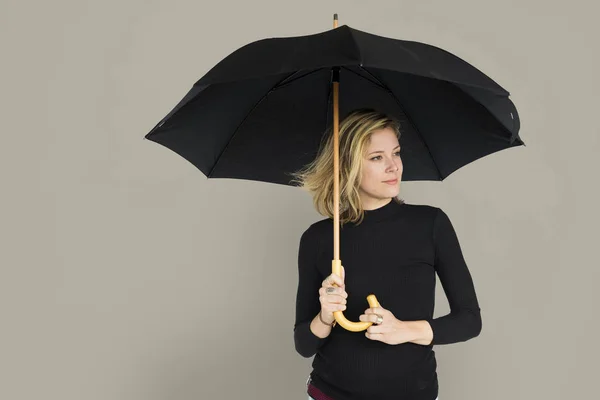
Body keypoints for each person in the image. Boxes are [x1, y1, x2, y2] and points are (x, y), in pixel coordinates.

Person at [290, 108, 482, 400]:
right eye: (377, 157)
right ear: (348, 166)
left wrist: (403, 330)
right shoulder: (318, 238)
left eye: (396, 153)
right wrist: (326, 315)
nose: (394, 166)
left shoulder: (430, 224)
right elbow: (303, 344)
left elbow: (469, 320)